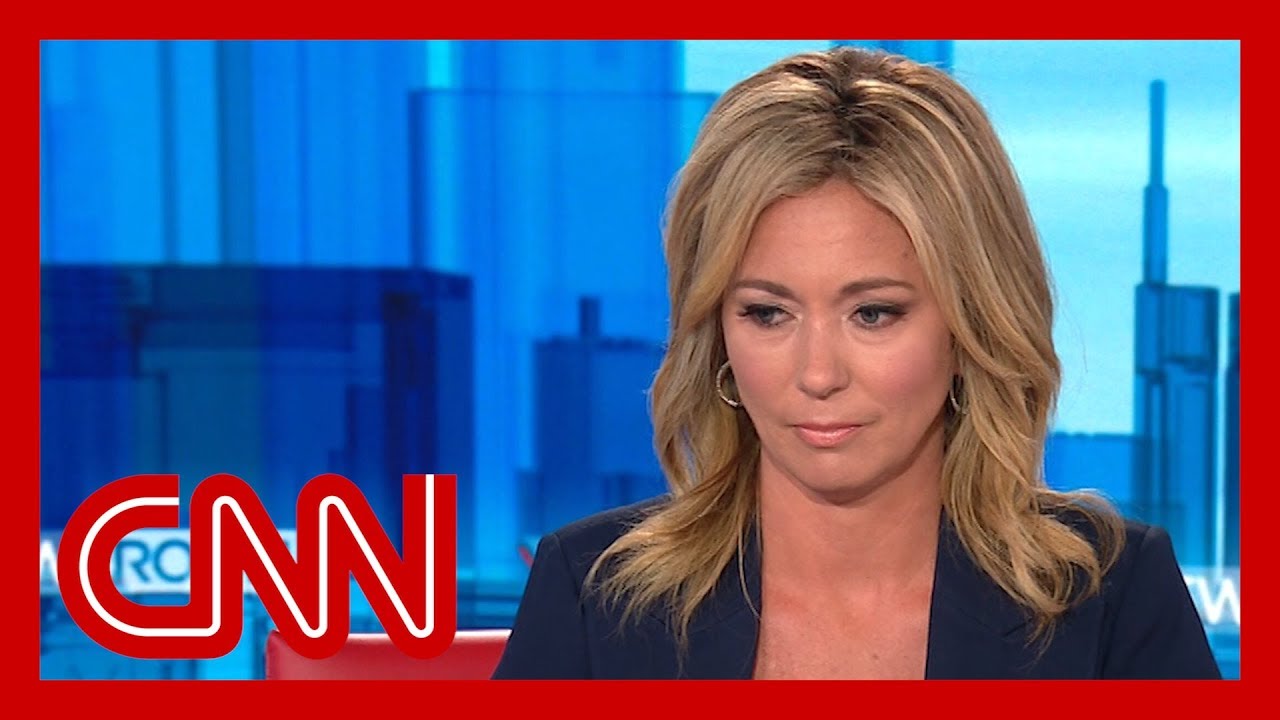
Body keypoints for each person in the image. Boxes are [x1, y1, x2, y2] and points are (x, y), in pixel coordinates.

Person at [491, 46, 1222, 680]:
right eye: (767, 313)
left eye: (873, 314)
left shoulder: (1108, 600)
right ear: (716, 332)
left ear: (969, 325)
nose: (817, 375)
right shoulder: (596, 599)